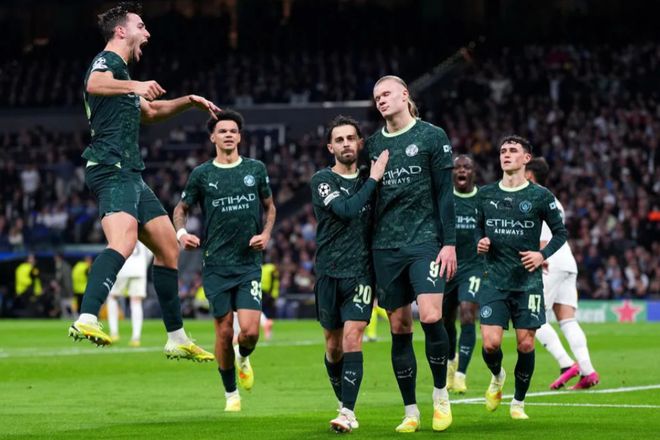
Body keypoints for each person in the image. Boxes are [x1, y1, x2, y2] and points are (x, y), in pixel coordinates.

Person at [68, 2, 218, 363]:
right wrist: (135, 85)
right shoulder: (108, 63)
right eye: (141, 26)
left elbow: (149, 111)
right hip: (110, 166)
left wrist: (188, 101)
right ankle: (86, 317)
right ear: (122, 31)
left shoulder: (121, 77)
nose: (147, 33)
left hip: (131, 172)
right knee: (123, 241)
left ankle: (176, 338)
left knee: (168, 248)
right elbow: (93, 83)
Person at [367, 76, 457, 433]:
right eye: (377, 97)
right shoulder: (373, 144)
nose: (381, 100)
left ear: (405, 95)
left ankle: (440, 395)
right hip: (385, 246)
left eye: (386, 94)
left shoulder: (432, 136)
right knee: (399, 326)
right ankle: (410, 411)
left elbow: (445, 193)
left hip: (425, 241)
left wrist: (449, 242)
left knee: (432, 316)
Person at [174, 109, 276, 412]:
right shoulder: (202, 174)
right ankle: (231, 394)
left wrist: (266, 234)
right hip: (216, 264)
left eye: (233, 131)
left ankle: (243, 356)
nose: (228, 135)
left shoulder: (255, 169)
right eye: (222, 131)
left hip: (248, 264)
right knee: (223, 331)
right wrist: (181, 233)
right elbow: (181, 208)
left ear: (239, 136)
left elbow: (270, 207)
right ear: (213, 138)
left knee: (250, 332)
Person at [476, 135, 568, 420]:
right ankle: (497, 375)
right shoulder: (486, 194)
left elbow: (560, 232)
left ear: (526, 158)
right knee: (490, 344)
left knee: (526, 344)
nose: (506, 154)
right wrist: (480, 240)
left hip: (527, 283)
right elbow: (476, 228)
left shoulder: (540, 196)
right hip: (493, 279)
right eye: (503, 150)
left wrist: (542, 255)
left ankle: (518, 402)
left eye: (513, 150)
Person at [311, 115, 389, 433]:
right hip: (328, 271)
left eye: (351, 138)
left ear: (360, 143)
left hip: (360, 273)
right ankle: (344, 402)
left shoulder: (369, 178)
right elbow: (345, 211)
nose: (346, 144)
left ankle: (347, 411)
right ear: (330, 147)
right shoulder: (322, 180)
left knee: (353, 336)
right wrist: (374, 179)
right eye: (339, 139)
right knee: (333, 347)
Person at [525, 157, 600, 390]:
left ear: (529, 175)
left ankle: (566, 363)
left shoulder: (533, 197)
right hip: (566, 260)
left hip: (549, 260)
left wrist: (538, 258)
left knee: (533, 317)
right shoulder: (554, 200)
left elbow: (543, 237)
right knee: (567, 320)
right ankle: (588, 371)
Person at [443, 155, 483, 394]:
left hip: (473, 267)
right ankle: (451, 362)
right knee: (445, 321)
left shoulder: (482, 199)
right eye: (457, 167)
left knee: (467, 314)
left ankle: (461, 375)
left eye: (466, 167)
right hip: (448, 266)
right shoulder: (445, 198)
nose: (461, 170)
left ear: (473, 172)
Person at [106, 241, 152, 346]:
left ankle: (114, 333)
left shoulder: (121, 231)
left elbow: (112, 247)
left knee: (112, 297)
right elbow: (150, 252)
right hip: (139, 268)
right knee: (136, 301)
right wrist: (143, 265)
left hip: (123, 267)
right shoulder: (144, 233)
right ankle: (136, 337)